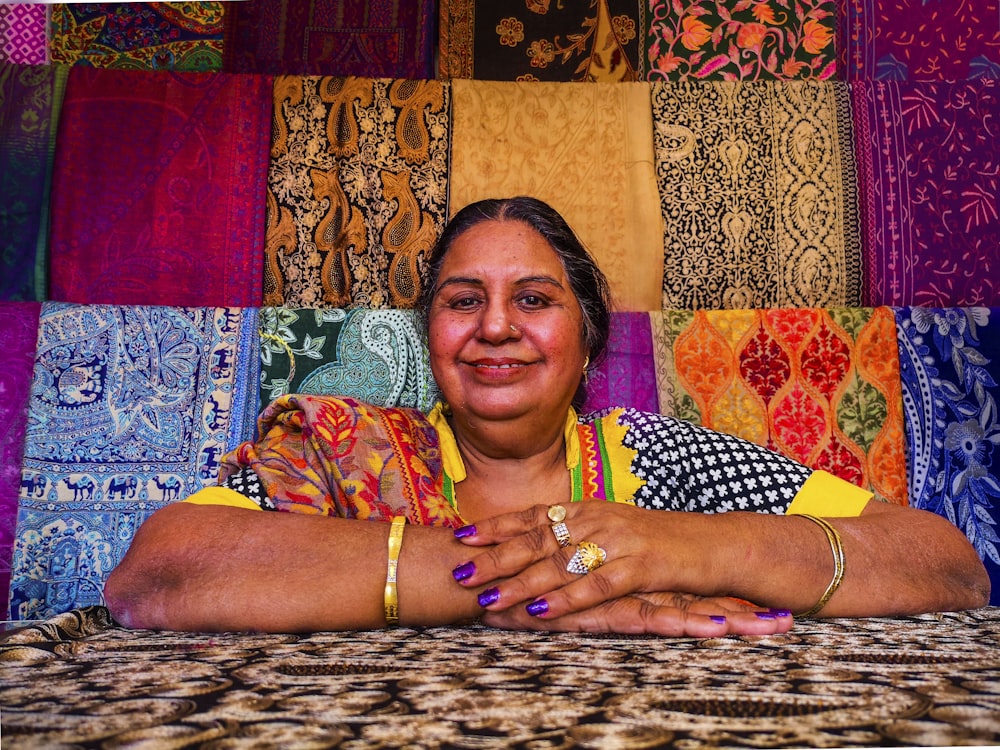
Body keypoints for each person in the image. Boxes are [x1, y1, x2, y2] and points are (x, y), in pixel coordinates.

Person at [104, 196, 990, 635]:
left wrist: (684, 546)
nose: (495, 327)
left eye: (533, 298)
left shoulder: (668, 462)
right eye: (463, 301)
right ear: (431, 335)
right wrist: (547, 581)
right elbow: (158, 575)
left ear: (587, 335)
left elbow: (948, 568)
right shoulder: (343, 451)